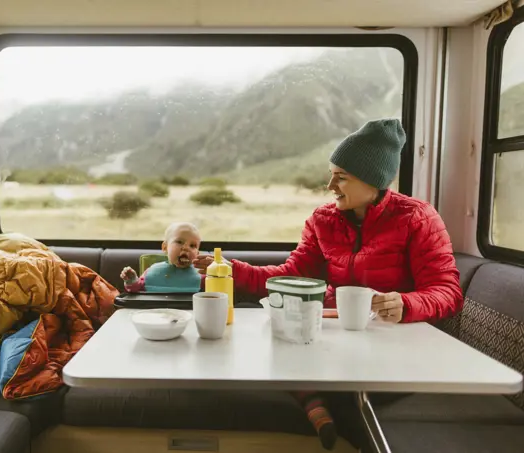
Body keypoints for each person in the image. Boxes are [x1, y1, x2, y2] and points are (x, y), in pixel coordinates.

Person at [193, 118, 464, 450]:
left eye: (341, 177)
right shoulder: (323, 220)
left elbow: (447, 292)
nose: (330, 186)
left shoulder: (417, 218)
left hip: (395, 344)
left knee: (336, 392)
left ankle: (320, 407)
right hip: (337, 339)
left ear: (372, 180)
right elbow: (292, 276)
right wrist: (231, 270)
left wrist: (406, 303)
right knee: (279, 354)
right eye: (331, 174)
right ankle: (322, 409)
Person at [121, 222, 205, 293]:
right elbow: (137, 289)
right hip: (155, 310)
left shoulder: (202, 275)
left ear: (197, 253)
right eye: (179, 242)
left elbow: (214, 293)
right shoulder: (153, 271)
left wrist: (215, 274)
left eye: (192, 245)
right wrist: (132, 280)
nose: (186, 248)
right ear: (165, 247)